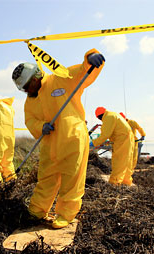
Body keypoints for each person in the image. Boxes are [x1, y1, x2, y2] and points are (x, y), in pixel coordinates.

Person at [11, 49, 105, 229]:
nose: (27, 91)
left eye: (29, 85)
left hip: (73, 138)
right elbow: (30, 120)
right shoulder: (30, 102)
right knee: (46, 178)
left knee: (72, 179)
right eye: (24, 89)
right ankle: (38, 209)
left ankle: (65, 214)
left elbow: (81, 74)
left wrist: (89, 59)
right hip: (49, 144)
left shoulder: (59, 79)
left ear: (37, 76)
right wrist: (40, 127)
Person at [90, 107, 135, 186]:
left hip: (122, 139)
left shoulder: (108, 117)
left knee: (119, 161)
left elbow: (105, 134)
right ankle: (126, 181)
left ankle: (114, 182)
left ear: (99, 116)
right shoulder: (114, 115)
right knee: (126, 161)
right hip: (128, 138)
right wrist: (109, 141)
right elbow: (114, 131)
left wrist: (93, 143)